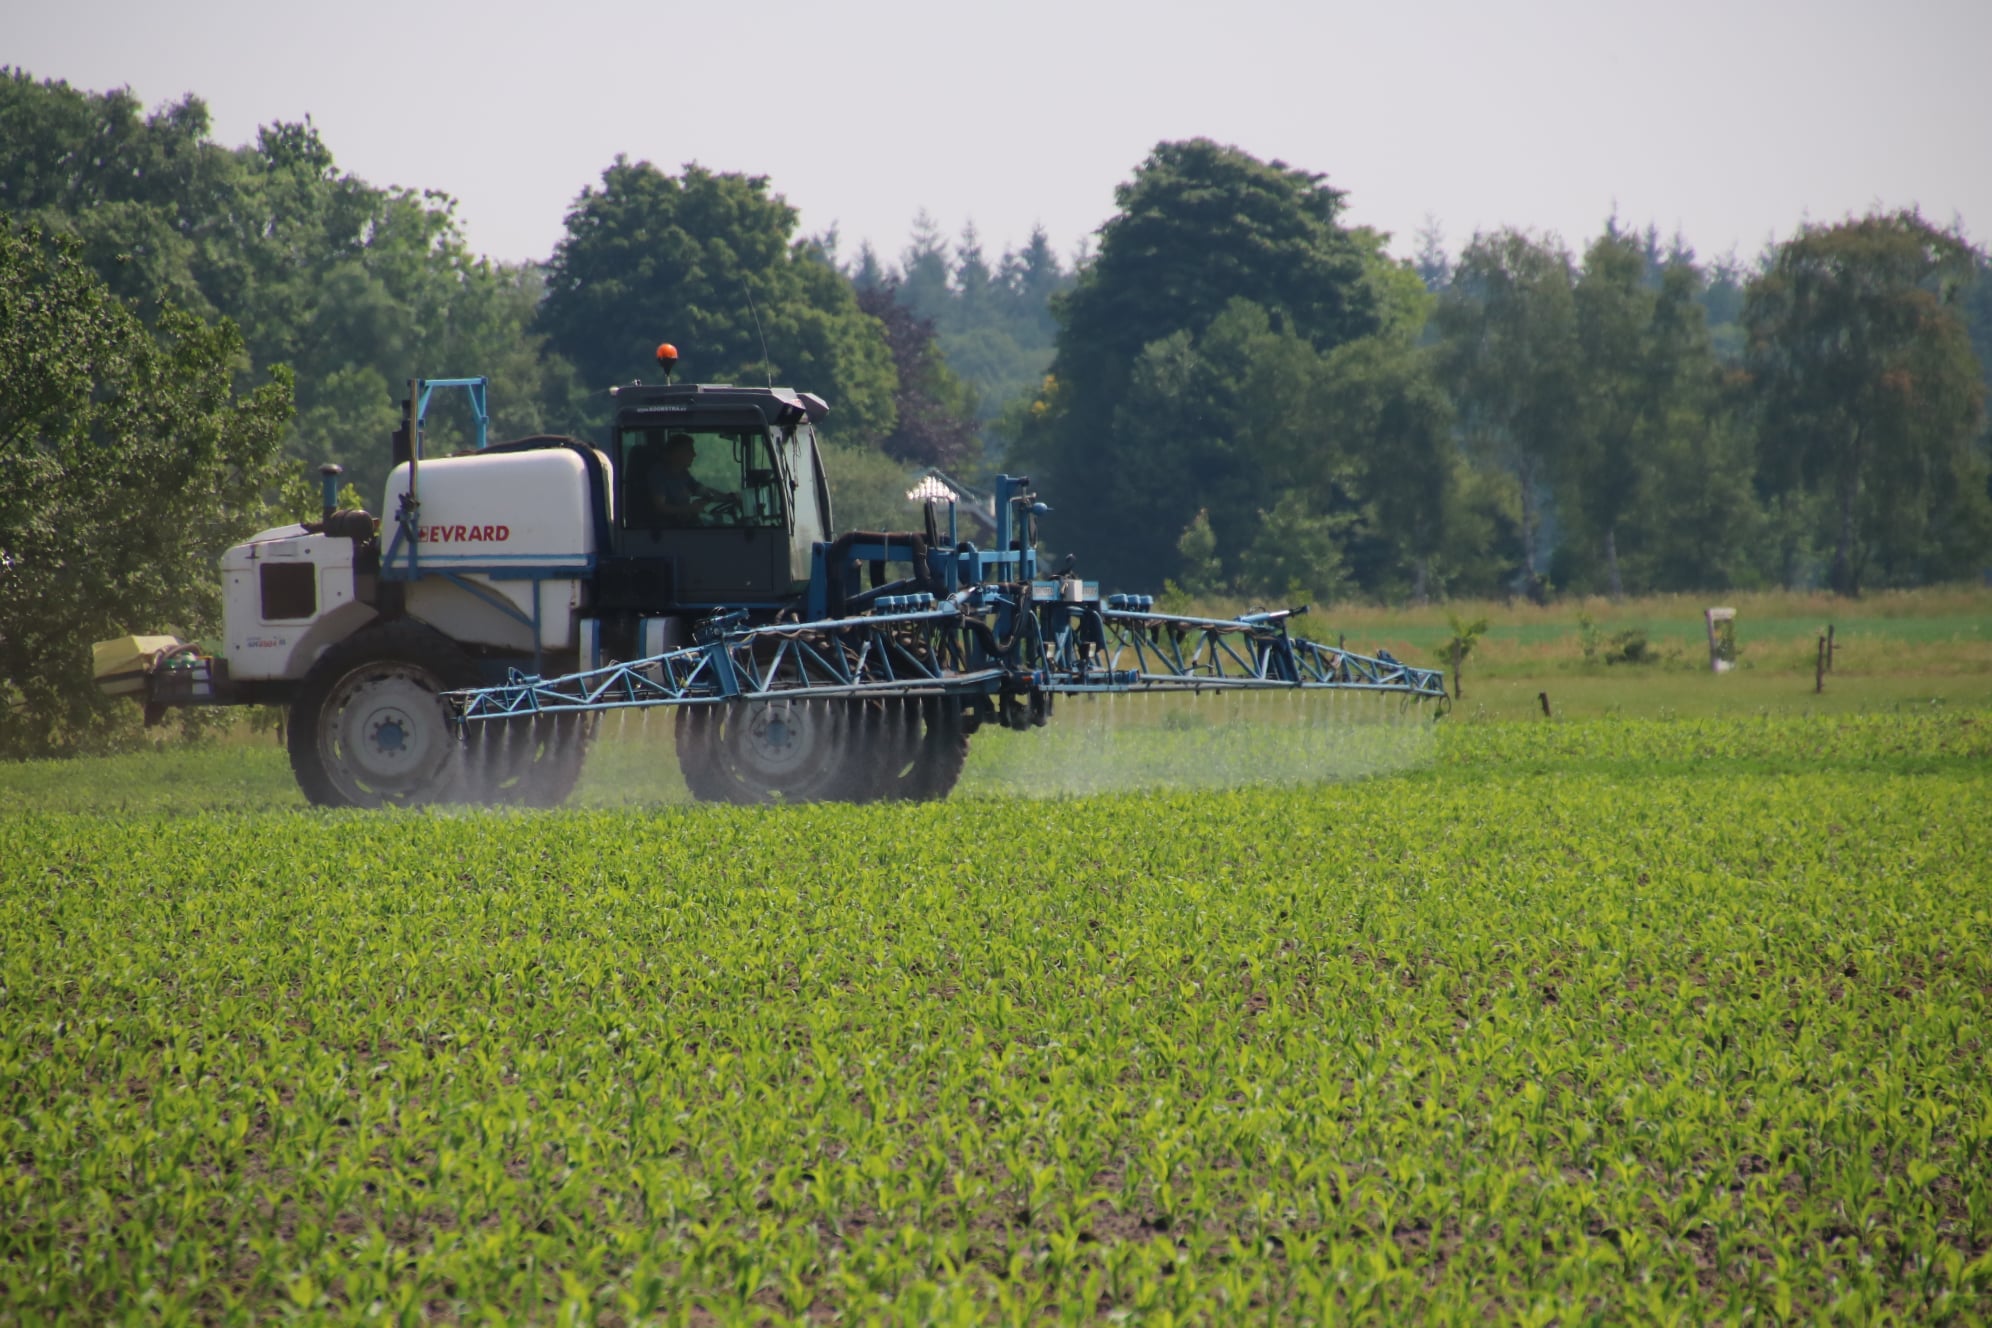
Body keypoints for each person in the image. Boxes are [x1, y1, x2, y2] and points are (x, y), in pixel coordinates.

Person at [640, 433, 736, 525]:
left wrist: (730, 498)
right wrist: (688, 509)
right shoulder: (658, 473)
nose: (694, 454)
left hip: (684, 526)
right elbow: (660, 507)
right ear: (677, 452)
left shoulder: (683, 474)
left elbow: (703, 491)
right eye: (690, 450)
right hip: (666, 533)